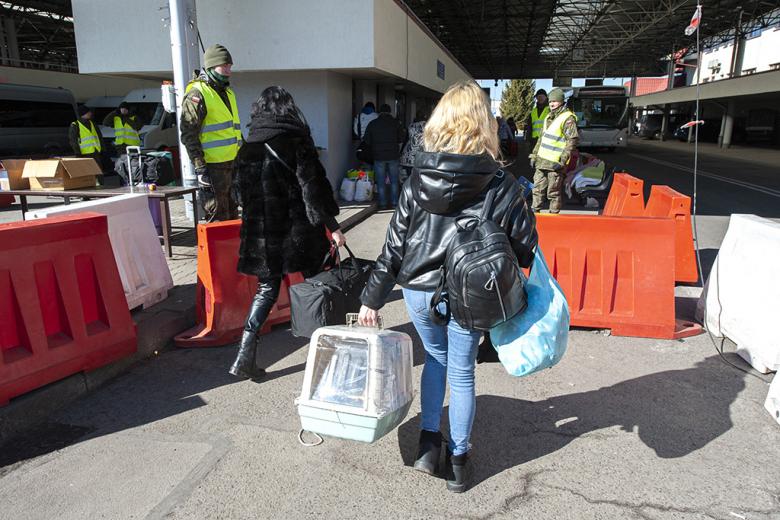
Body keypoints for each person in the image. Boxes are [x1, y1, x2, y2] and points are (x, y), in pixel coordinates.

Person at [357, 81, 538, 493]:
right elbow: (526, 251)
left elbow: (394, 248)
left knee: (435, 359)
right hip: (471, 294)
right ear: (484, 125)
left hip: (419, 292)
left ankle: (426, 446)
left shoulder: (415, 179)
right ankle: (458, 461)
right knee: (462, 371)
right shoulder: (501, 184)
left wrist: (371, 298)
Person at [229, 86, 345, 379]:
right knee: (317, 285)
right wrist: (333, 227)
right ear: (288, 109)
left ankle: (245, 354)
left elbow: (238, 195)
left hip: (263, 233)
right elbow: (313, 189)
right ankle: (327, 353)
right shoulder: (297, 142)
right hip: (297, 230)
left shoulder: (247, 147)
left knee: (266, 290)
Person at [180, 43, 242, 221]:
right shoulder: (197, 93)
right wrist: (200, 168)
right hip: (212, 168)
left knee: (232, 217)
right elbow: (188, 134)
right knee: (216, 216)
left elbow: (235, 131)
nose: (229, 70)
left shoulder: (228, 93)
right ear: (211, 66)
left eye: (230, 66)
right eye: (225, 66)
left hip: (231, 165)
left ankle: (232, 250)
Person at [529, 88, 579, 214]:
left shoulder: (568, 119)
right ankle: (535, 214)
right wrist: (534, 156)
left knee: (553, 193)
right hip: (541, 162)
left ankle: (553, 217)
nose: (552, 104)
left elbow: (571, 142)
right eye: (551, 101)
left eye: (555, 101)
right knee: (537, 189)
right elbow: (541, 139)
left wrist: (562, 161)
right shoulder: (548, 117)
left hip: (555, 164)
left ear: (561, 101)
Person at [363, 103, 405, 209]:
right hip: (393, 155)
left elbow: (367, 140)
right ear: (390, 111)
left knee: (381, 182)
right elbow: (401, 139)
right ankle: (395, 203)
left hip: (378, 156)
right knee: (394, 181)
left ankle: (382, 204)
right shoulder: (396, 123)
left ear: (379, 112)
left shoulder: (373, 123)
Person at [69, 105, 105, 184]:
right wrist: (77, 152)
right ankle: (89, 188)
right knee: (88, 173)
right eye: (88, 112)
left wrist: (102, 148)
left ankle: (101, 186)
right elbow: (73, 140)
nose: (90, 113)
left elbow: (99, 137)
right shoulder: (75, 125)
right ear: (83, 113)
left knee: (98, 171)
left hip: (95, 151)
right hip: (84, 153)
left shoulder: (92, 123)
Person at [399, 108, 428, 185]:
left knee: (409, 179)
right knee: (419, 180)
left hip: (408, 156)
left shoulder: (411, 125)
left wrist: (401, 153)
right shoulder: (428, 126)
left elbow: (406, 140)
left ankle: (409, 194)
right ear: (425, 116)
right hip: (421, 156)